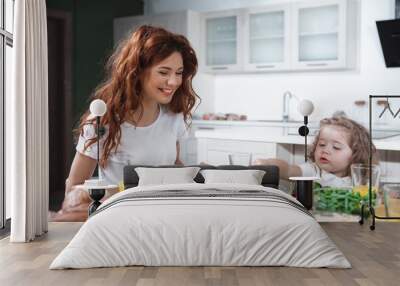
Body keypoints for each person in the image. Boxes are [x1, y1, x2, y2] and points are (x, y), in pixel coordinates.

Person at [50, 25, 199, 221]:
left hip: (163, 216)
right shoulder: (103, 122)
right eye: (164, 72)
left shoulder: (174, 117)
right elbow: (75, 185)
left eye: (179, 73)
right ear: (137, 71)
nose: (173, 81)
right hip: (119, 219)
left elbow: (174, 165)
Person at [254, 116, 378, 188]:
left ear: (356, 154)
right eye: (322, 144)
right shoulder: (313, 171)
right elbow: (288, 170)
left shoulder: (360, 180)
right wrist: (267, 163)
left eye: (336, 147)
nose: (325, 150)